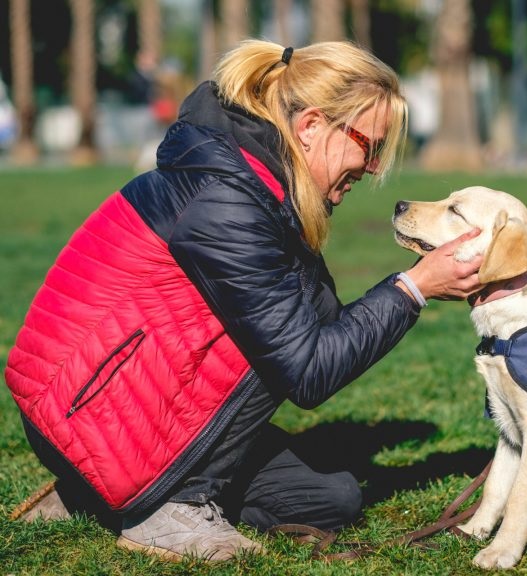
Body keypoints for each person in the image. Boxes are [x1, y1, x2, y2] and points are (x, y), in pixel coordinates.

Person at [5, 40, 483, 562]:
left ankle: (93, 493)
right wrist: (414, 288)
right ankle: (171, 505)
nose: (371, 169)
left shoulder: (256, 185)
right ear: (311, 127)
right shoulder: (229, 200)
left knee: (329, 499)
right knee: (283, 340)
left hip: (112, 398)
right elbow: (306, 370)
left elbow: (315, 336)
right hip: (84, 408)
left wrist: (407, 290)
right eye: (369, 146)